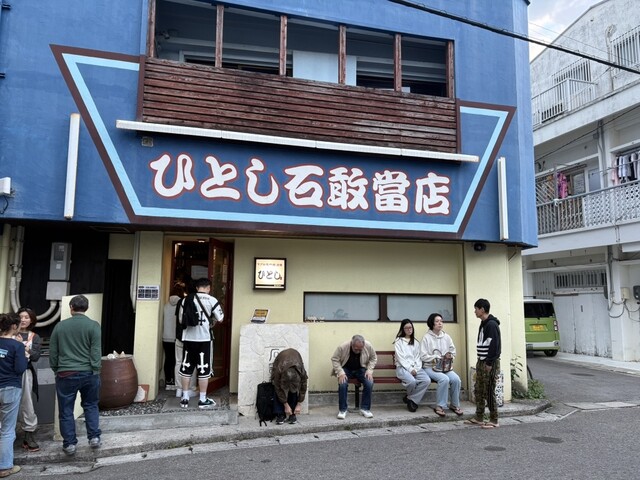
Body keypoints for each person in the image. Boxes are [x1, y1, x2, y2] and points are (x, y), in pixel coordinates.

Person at [49, 295, 102, 455]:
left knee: (66, 409)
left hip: (65, 373)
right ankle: (94, 437)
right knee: (91, 405)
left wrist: (56, 368)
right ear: (87, 308)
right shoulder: (93, 326)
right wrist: (96, 369)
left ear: (71, 307)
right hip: (89, 373)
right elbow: (95, 350)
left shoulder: (60, 326)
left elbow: (53, 352)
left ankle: (70, 444)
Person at [177, 277, 224, 409]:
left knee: (186, 367)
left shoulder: (185, 300)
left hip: (188, 338)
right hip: (204, 339)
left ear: (197, 288)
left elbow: (181, 320)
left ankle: (184, 398)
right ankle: (202, 399)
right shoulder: (212, 300)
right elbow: (221, 318)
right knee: (204, 369)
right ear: (208, 288)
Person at [465, 298, 501, 429]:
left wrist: (489, 363)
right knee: (479, 389)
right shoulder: (483, 323)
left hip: (490, 362)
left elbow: (494, 346)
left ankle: (494, 419)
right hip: (481, 361)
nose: (474, 311)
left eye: (476, 309)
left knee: (489, 390)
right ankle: (479, 417)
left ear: (482, 309)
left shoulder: (491, 325)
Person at [0, 313, 27, 478]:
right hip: (10, 387)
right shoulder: (17, 346)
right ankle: (4, 467)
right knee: (7, 429)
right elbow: (20, 368)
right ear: (14, 326)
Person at [420, 313, 463, 417]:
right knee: (444, 379)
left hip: (445, 367)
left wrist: (450, 356)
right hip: (430, 367)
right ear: (432, 323)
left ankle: (454, 405)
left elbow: (453, 351)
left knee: (456, 379)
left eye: (441, 321)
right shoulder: (426, 338)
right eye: (437, 321)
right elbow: (423, 356)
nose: (440, 323)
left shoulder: (446, 337)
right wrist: (435, 357)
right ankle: (440, 406)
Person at [330, 334, 377, 419]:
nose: (358, 351)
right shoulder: (343, 347)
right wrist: (341, 373)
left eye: (360, 349)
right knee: (342, 383)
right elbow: (335, 359)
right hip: (346, 369)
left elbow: (373, 358)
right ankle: (342, 410)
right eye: (356, 349)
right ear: (352, 344)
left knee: (369, 382)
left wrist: (369, 371)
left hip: (361, 369)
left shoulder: (368, 345)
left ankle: (365, 409)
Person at [16, 307, 42, 451]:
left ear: (31, 320)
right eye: (21, 317)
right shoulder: (8, 333)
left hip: (25, 372)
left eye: (26, 317)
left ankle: (29, 434)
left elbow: (36, 356)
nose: (23, 320)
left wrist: (24, 346)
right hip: (7, 372)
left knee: (27, 402)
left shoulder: (34, 337)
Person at [393, 319, 430, 412]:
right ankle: (412, 402)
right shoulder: (398, 342)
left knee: (426, 380)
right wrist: (410, 369)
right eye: (406, 328)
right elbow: (401, 358)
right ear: (403, 329)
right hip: (402, 368)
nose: (409, 329)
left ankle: (411, 399)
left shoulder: (416, 342)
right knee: (412, 381)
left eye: (410, 327)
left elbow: (418, 358)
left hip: (416, 368)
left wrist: (416, 369)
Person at [271, 348, 308, 425]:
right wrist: (285, 404)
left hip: (295, 356)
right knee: (278, 390)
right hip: (280, 360)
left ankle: (292, 413)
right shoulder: (278, 371)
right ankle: (280, 414)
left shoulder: (301, 372)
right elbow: (278, 388)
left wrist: (299, 403)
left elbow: (303, 387)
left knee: (293, 391)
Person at [162, 284, 183, 390]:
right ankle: (176, 383)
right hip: (177, 337)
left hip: (166, 337)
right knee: (177, 361)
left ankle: (168, 382)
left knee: (168, 359)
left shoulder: (165, 306)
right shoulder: (181, 305)